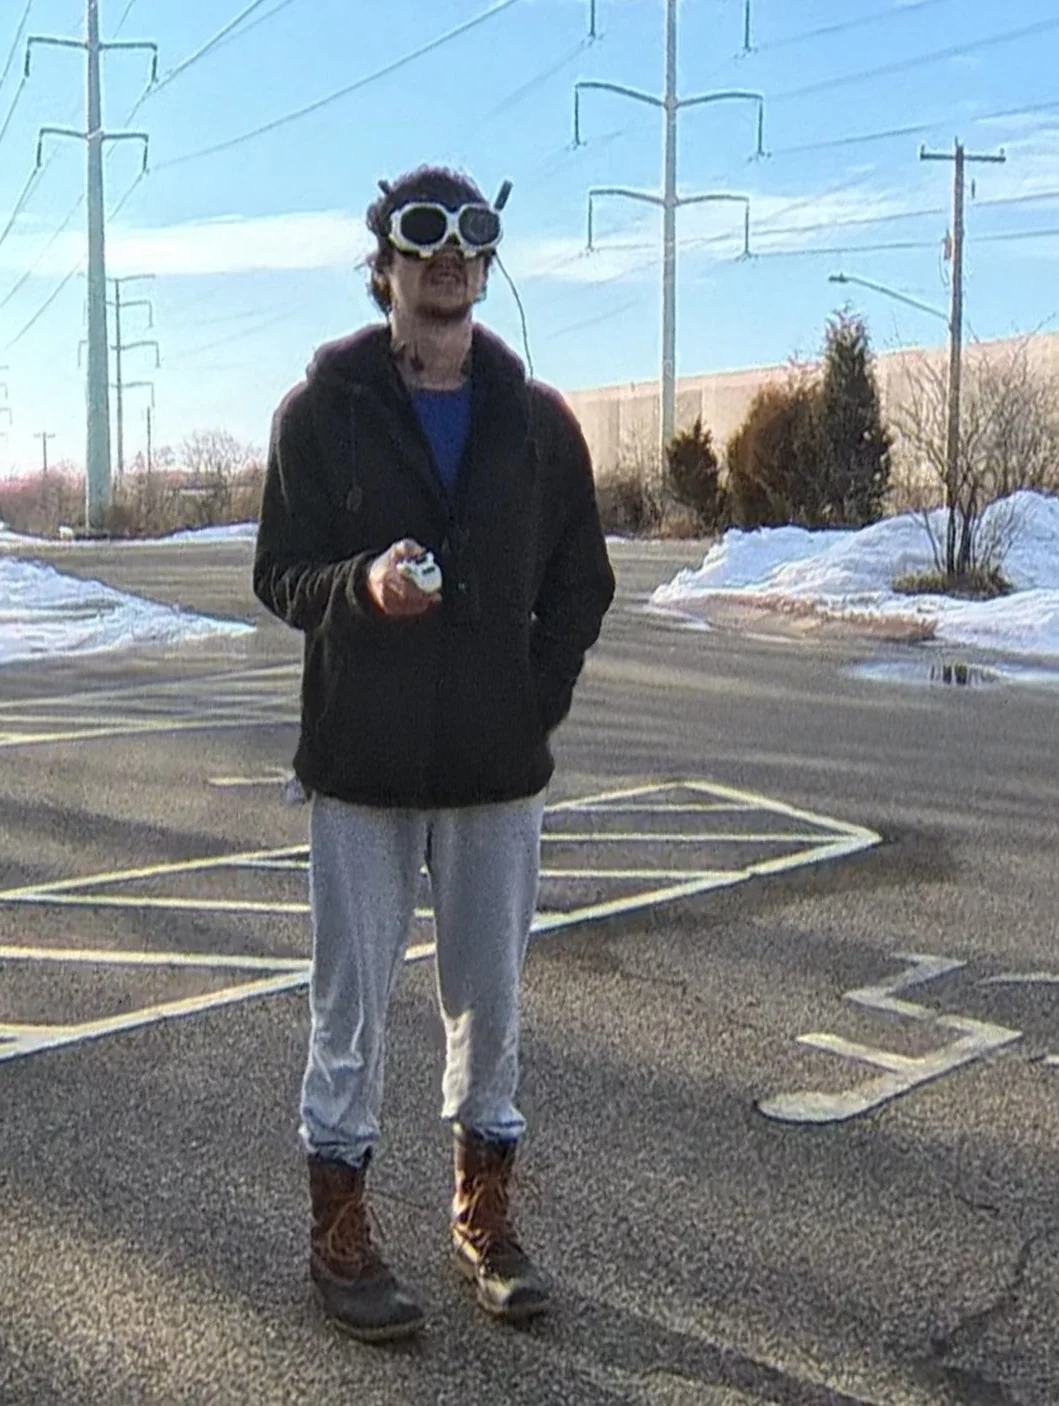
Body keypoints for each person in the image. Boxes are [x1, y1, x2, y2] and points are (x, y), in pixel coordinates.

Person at [252, 165, 615, 1340]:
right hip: (360, 763)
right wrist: (357, 587)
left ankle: (483, 1218)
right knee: (348, 1005)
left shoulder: (535, 421)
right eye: (424, 241)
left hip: (492, 772)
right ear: (387, 266)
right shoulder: (322, 411)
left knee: (490, 1004)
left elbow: (581, 579)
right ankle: (340, 1232)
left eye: (469, 240)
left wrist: (533, 699)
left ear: (486, 264)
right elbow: (278, 574)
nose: (447, 260)